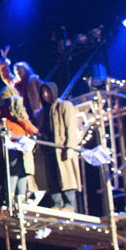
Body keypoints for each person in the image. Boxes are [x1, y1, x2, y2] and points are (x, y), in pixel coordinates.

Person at [36, 82, 82, 211]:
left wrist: (70, 147)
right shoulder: (42, 112)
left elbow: (71, 127)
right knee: (52, 177)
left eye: (48, 92)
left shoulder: (65, 106)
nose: (46, 95)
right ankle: (57, 203)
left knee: (66, 176)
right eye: (43, 92)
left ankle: (69, 204)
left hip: (61, 147)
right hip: (48, 148)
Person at [0, 86, 38, 200]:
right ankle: (16, 198)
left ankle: (15, 198)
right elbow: (24, 121)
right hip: (16, 143)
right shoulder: (13, 105)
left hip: (14, 143)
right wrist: (36, 132)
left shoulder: (0, 108)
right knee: (16, 171)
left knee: (19, 171)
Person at [0, 45, 44, 119]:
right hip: (21, 113)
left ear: (25, 70)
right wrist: (4, 59)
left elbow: (45, 89)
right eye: (16, 71)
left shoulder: (32, 80)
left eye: (19, 70)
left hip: (34, 111)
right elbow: (5, 75)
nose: (17, 71)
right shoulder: (14, 83)